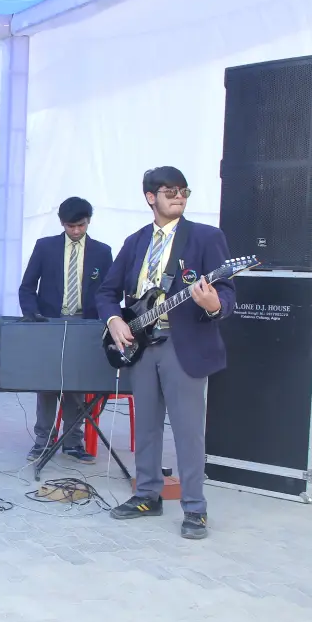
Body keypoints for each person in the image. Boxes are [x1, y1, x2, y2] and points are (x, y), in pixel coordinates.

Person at [97, 167, 235, 540]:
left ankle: (195, 509)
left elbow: (227, 293)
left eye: (183, 190)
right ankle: (147, 495)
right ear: (150, 197)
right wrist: (114, 320)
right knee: (146, 426)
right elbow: (106, 291)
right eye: (169, 190)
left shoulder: (206, 238)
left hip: (182, 344)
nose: (178, 196)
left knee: (188, 432)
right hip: (141, 345)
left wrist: (213, 304)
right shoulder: (135, 241)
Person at [18, 197, 114, 463]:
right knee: (48, 384)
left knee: (77, 385)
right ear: (62, 223)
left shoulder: (102, 252)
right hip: (50, 323)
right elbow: (27, 287)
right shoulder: (45, 247)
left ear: (88, 221)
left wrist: (106, 321)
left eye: (81, 225)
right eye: (71, 226)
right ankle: (43, 440)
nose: (76, 231)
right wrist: (33, 315)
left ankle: (72, 442)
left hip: (85, 324)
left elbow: (109, 291)